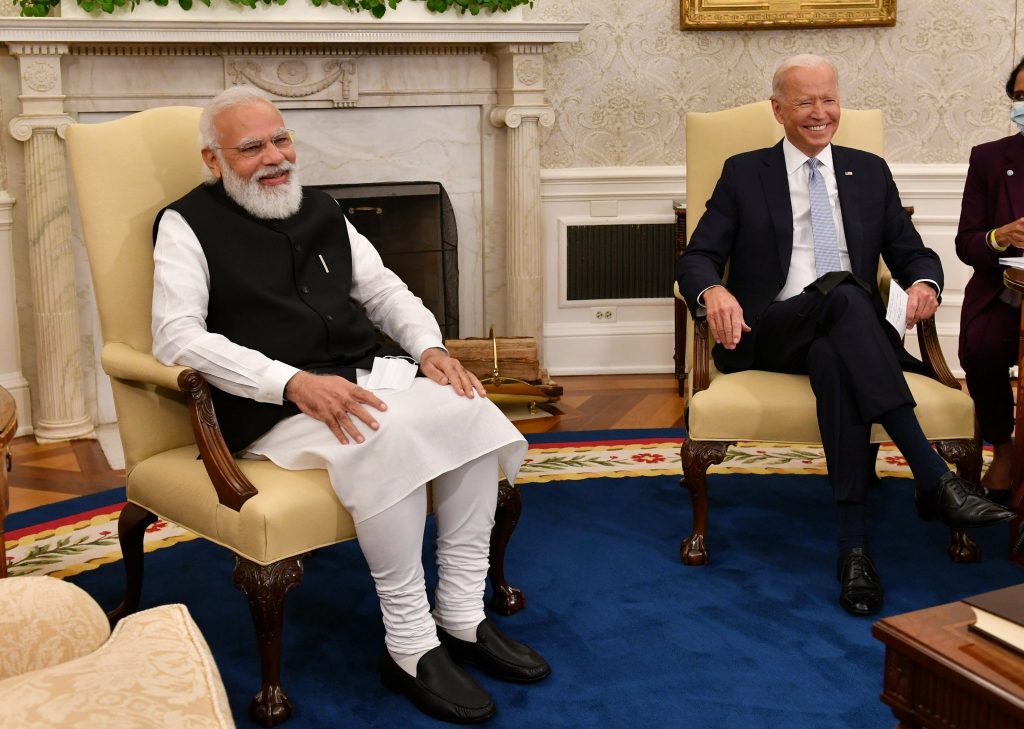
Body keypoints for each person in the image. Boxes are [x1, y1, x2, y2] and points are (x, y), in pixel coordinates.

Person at [151, 85, 550, 724]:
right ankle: (410, 645)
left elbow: (385, 288)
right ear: (212, 159)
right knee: (380, 437)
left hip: (359, 378)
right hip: (271, 405)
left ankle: (463, 615)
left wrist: (429, 349)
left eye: (281, 139)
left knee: (467, 409)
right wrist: (289, 381)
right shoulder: (185, 224)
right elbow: (177, 335)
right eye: (251, 147)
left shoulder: (323, 208)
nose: (274, 157)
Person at [677, 54, 1015, 617]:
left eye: (828, 99)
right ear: (778, 110)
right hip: (770, 331)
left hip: (845, 337)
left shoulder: (869, 170)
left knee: (837, 351)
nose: (820, 112)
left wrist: (925, 282)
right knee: (843, 290)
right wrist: (713, 292)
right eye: (804, 101)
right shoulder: (745, 171)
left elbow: (913, 252)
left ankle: (854, 549)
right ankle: (932, 476)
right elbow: (699, 256)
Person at [955, 56, 1024, 494]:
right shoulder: (990, 158)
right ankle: (1004, 448)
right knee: (981, 349)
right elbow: (967, 242)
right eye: (1020, 97)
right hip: (1008, 291)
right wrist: (1001, 235)